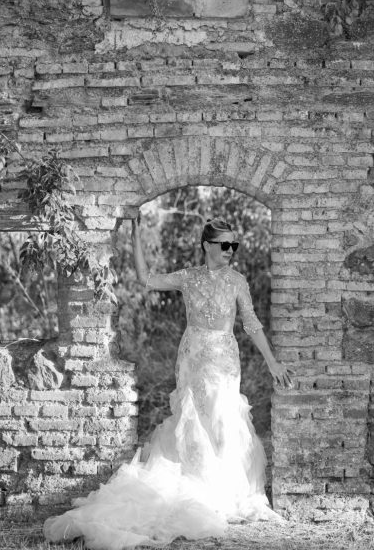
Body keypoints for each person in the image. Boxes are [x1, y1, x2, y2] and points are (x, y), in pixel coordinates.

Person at [44, 217, 293, 550]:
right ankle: (199, 485)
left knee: (223, 418)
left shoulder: (238, 281)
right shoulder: (188, 278)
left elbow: (251, 324)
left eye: (234, 245)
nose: (230, 251)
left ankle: (220, 491)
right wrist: (135, 233)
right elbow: (148, 279)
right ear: (207, 245)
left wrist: (272, 361)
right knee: (193, 420)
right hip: (193, 356)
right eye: (224, 245)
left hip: (224, 357)